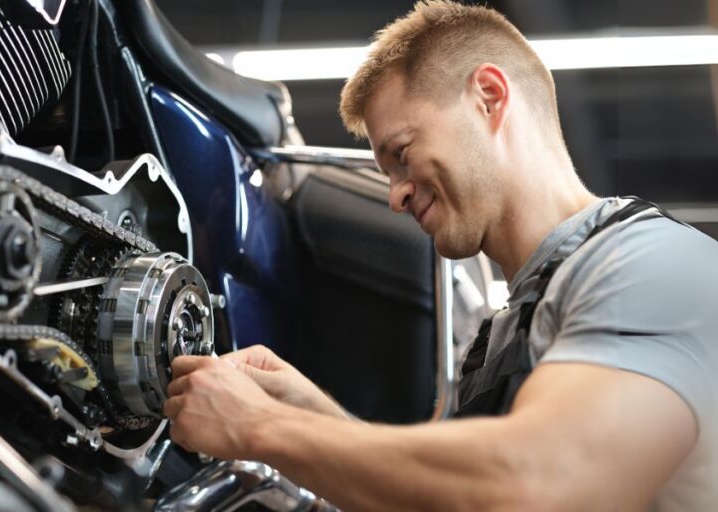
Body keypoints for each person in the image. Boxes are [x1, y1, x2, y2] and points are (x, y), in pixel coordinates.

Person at [161, 1, 718, 509]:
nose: (396, 196)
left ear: (489, 98)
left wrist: (262, 426)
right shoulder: (498, 338)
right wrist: (308, 412)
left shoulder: (653, 266)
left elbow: (534, 485)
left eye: (401, 154)